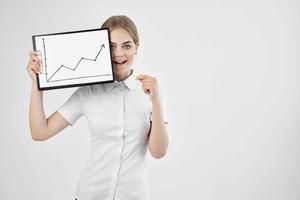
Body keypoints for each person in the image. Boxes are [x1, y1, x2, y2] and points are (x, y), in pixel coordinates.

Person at [27, 15, 169, 200]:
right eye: (110, 46)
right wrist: (37, 84)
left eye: (126, 45)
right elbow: (40, 132)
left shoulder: (150, 90)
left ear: (136, 48)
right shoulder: (89, 92)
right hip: (91, 194)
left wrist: (156, 102)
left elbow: (158, 152)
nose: (118, 53)